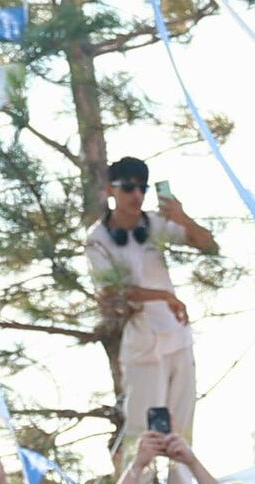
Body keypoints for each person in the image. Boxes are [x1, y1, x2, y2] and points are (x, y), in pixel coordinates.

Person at [84, 155, 215, 457]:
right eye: (128, 187)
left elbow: (208, 246)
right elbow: (111, 293)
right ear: (110, 190)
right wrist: (164, 297)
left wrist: (183, 219)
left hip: (177, 338)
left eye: (142, 187)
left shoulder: (155, 224)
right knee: (141, 434)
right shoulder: (97, 239)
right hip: (142, 345)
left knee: (182, 433)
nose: (137, 195)